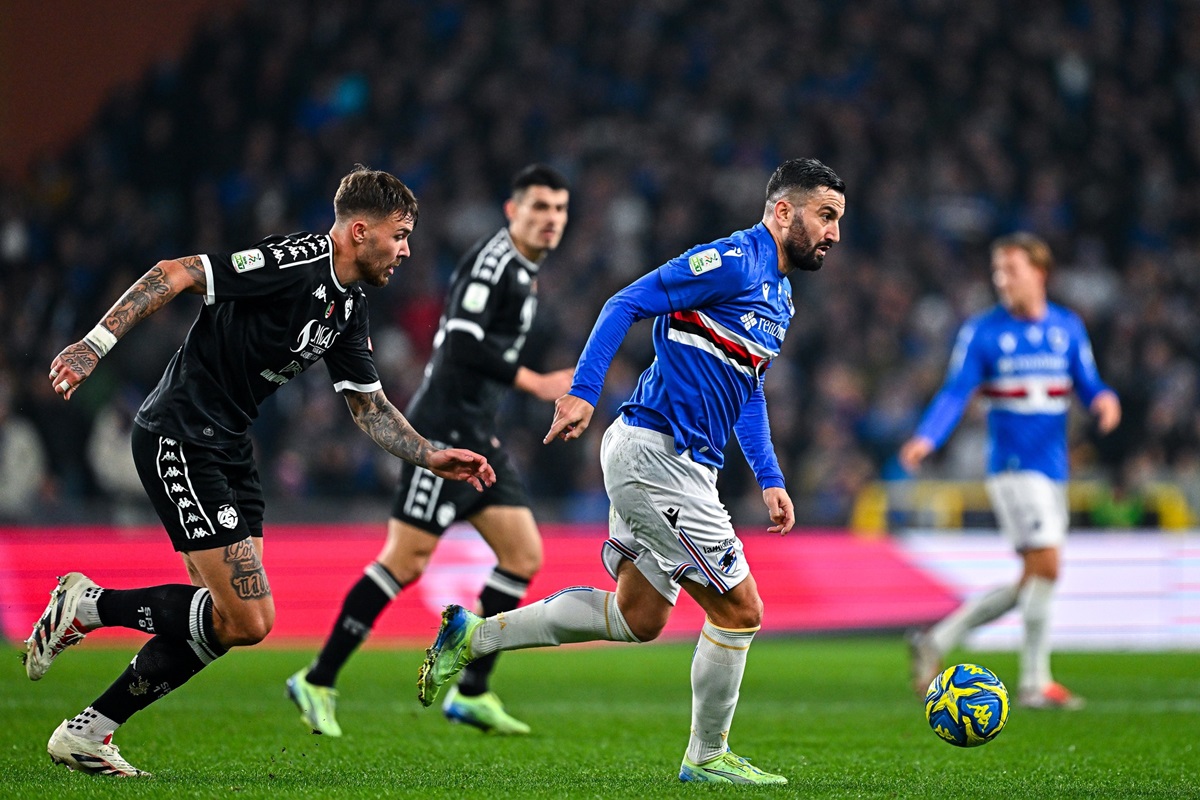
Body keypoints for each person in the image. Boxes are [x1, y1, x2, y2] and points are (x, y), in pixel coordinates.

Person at [25, 165, 495, 777]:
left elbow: (366, 404)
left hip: (228, 447)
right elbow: (177, 272)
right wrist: (94, 344)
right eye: (400, 235)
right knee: (252, 617)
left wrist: (429, 454)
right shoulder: (294, 262)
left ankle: (89, 734)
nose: (406, 250)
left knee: (225, 621)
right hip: (180, 434)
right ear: (359, 231)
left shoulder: (348, 305)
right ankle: (89, 604)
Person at [417, 158, 846, 785]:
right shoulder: (730, 261)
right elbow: (626, 302)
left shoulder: (779, 293)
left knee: (637, 618)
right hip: (656, 457)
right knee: (740, 611)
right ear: (784, 212)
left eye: (838, 220)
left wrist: (770, 476)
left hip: (678, 464)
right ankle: (706, 757)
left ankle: (471, 636)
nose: (834, 232)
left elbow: (749, 388)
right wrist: (585, 391)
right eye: (825, 216)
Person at [287, 164, 572, 737]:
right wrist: (536, 383)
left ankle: (471, 691)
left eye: (559, 209)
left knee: (522, 555)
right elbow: (462, 344)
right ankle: (317, 678)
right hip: (443, 430)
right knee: (405, 561)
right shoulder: (494, 265)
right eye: (539, 207)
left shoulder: (523, 271)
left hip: (479, 430)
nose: (550, 219)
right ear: (513, 211)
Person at [899, 232, 1121, 709]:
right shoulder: (982, 332)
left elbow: (1088, 382)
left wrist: (1104, 399)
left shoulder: (1067, 327)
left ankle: (937, 638)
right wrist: (927, 438)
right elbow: (956, 391)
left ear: (1040, 273)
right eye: (998, 271)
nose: (1003, 280)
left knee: (1034, 578)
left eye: (1012, 270)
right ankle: (1035, 684)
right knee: (1047, 567)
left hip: (1054, 469)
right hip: (1014, 468)